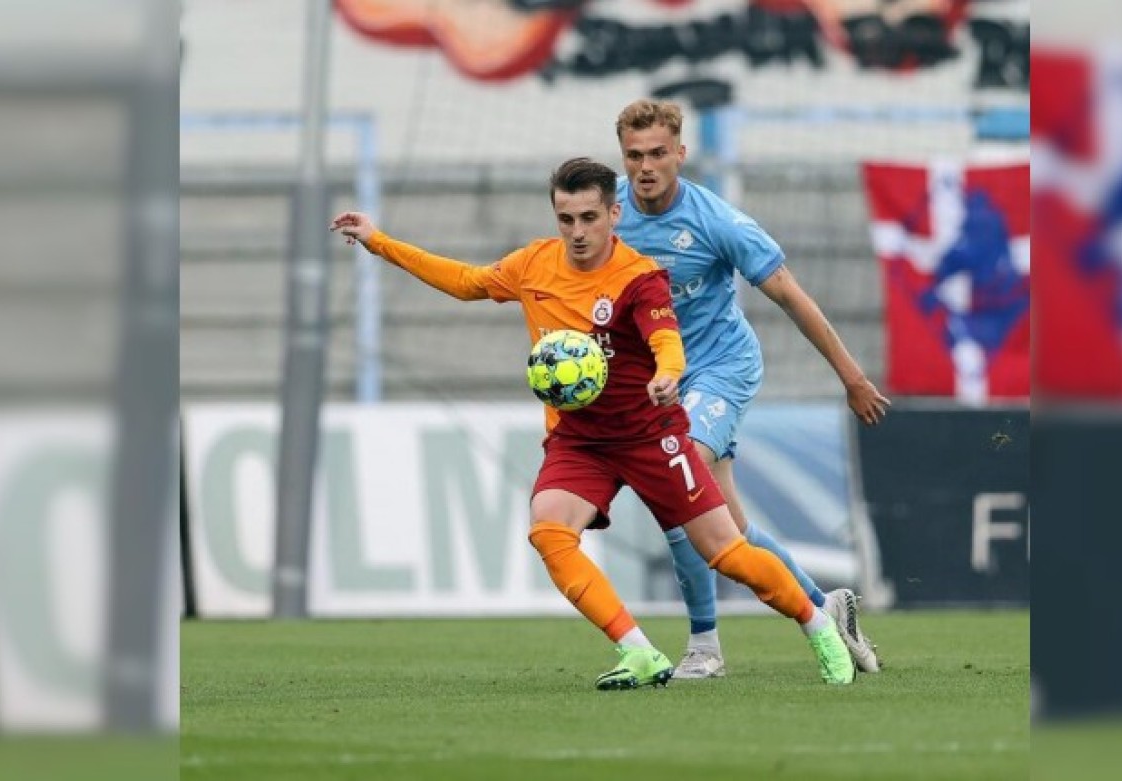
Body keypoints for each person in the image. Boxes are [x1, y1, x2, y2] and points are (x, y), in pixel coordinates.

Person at [331, 157, 856, 688]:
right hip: (581, 442)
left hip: (653, 435)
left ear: (614, 213)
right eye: (566, 219)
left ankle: (818, 627)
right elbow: (466, 281)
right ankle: (639, 651)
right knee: (549, 530)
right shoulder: (534, 265)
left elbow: (666, 341)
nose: (578, 232)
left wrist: (668, 374)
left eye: (589, 217)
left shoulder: (640, 277)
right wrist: (379, 241)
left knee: (727, 552)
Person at [613, 99, 890, 679]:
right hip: (660, 381)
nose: (645, 166)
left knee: (677, 475)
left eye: (658, 154)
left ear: (680, 155)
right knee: (730, 531)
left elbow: (791, 295)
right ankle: (824, 605)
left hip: (720, 368)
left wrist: (852, 376)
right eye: (634, 155)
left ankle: (705, 646)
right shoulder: (607, 211)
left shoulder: (717, 221)